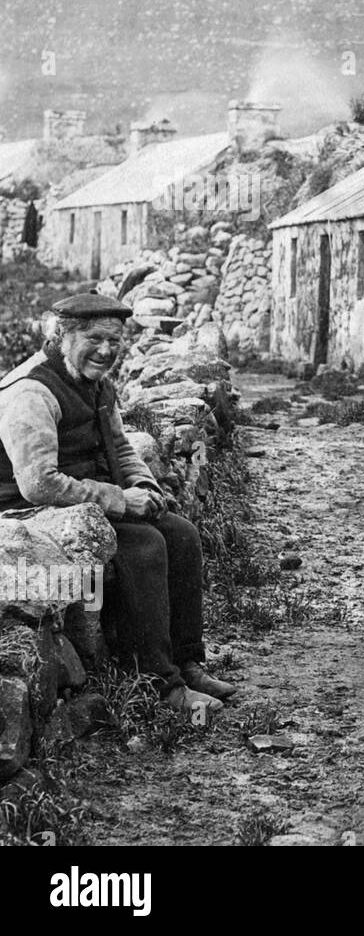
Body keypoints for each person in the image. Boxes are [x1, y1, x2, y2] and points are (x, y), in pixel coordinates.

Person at [0, 294, 234, 718]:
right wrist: (121, 500)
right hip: (27, 513)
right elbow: (38, 484)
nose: (106, 350)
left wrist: (144, 483)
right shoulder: (30, 391)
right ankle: (161, 683)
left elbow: (121, 446)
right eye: (94, 338)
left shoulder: (96, 383)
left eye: (115, 340)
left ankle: (187, 661)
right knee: (143, 544)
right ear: (61, 336)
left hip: (80, 503)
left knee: (181, 533)